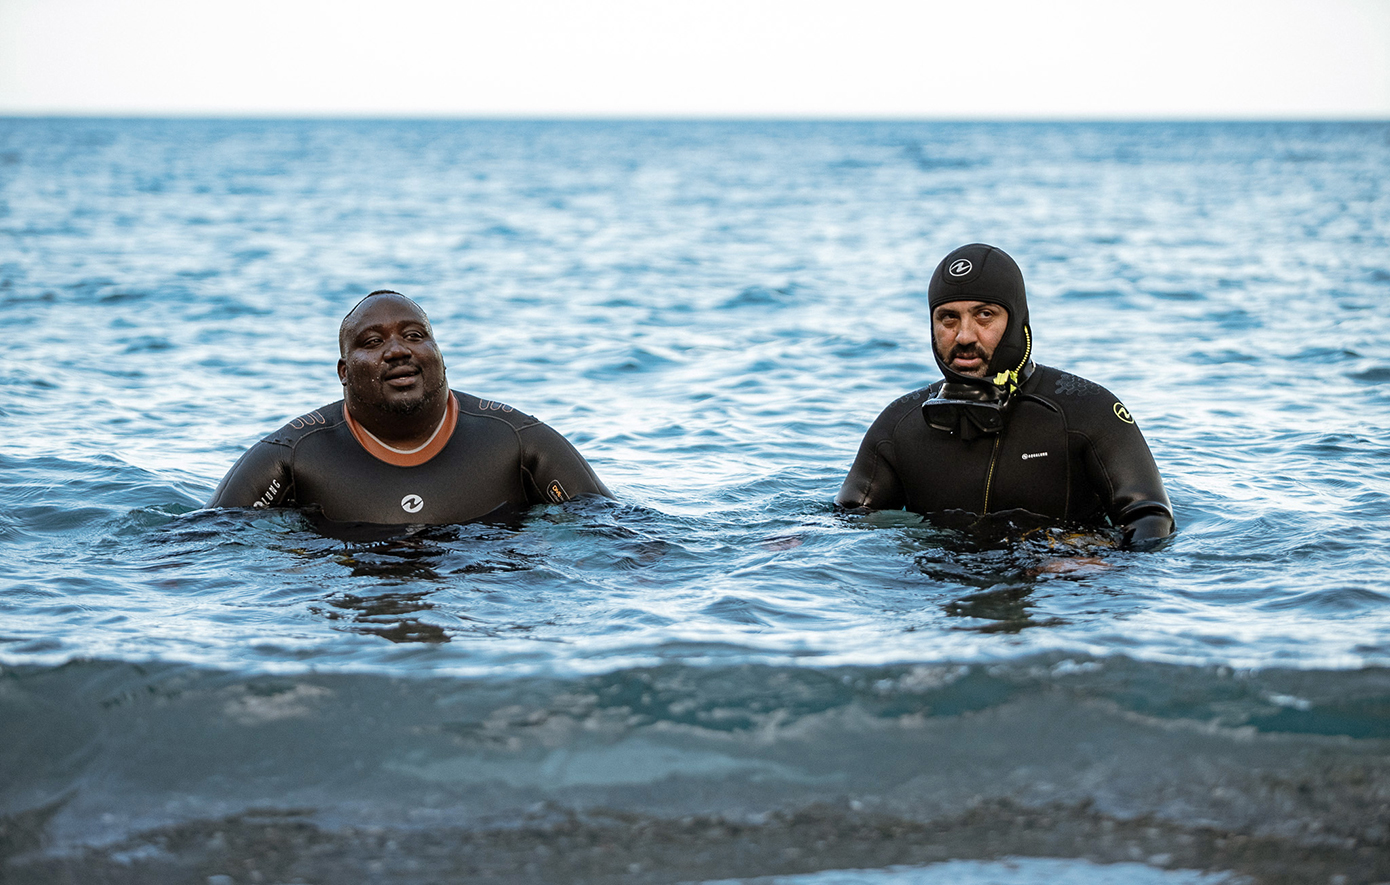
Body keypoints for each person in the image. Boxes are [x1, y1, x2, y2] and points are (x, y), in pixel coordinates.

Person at [836, 244, 1174, 548]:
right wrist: (794, 538)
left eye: (984, 315)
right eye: (948, 318)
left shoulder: (1085, 410)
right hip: (937, 598)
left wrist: (1098, 559)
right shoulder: (899, 425)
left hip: (1056, 597)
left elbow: (1151, 519)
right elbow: (846, 522)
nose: (964, 335)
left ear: (1016, 321)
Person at [208, 290, 612, 525]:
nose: (398, 350)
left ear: (439, 355)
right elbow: (195, 555)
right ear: (344, 372)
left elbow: (623, 538)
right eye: (372, 342)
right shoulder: (291, 456)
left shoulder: (519, 443)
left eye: (415, 336)